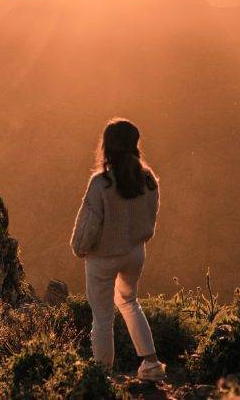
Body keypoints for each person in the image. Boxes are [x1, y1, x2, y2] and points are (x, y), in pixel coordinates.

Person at [70, 118, 165, 381]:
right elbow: (151, 216)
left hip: (103, 257)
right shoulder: (148, 180)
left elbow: (89, 225)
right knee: (130, 302)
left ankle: (102, 377)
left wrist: (80, 249)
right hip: (135, 253)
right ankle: (151, 364)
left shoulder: (101, 183)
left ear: (108, 147)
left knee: (102, 317)